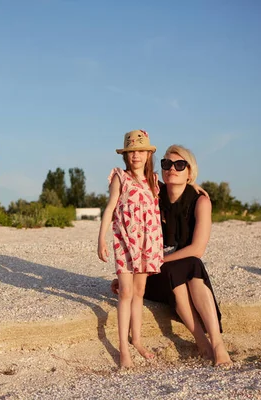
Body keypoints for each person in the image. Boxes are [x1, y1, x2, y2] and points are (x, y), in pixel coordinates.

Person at [112, 144, 232, 367]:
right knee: (180, 269)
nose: (172, 169)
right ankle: (202, 341)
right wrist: (132, 270)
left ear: (190, 171)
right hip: (153, 274)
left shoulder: (200, 201)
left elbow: (197, 249)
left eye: (179, 165)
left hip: (168, 266)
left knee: (192, 264)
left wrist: (154, 261)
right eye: (167, 164)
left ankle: (216, 344)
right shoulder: (152, 190)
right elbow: (125, 194)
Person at [97, 129, 164, 368]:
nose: (136, 155)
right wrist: (101, 239)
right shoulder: (120, 177)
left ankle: (136, 339)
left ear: (148, 154)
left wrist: (198, 187)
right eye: (131, 151)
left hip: (148, 241)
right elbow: (109, 208)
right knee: (125, 292)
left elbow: (182, 186)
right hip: (125, 241)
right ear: (126, 155)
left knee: (139, 291)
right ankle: (123, 350)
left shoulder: (154, 181)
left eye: (140, 150)